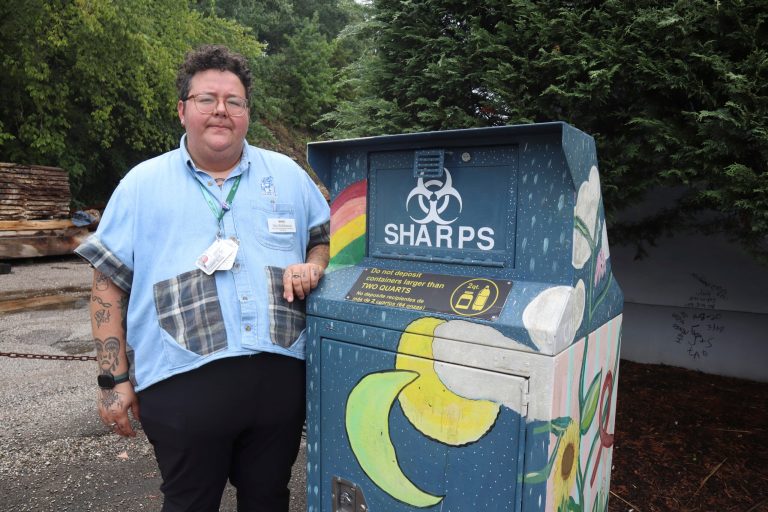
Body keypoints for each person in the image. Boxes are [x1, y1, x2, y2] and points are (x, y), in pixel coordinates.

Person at [76, 44, 330, 512]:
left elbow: (327, 237)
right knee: (189, 504)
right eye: (206, 99)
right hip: (179, 386)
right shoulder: (141, 185)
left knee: (270, 500)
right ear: (182, 109)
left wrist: (315, 262)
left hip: (279, 384)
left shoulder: (289, 176)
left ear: (247, 112)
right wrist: (112, 382)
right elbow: (107, 284)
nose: (221, 111)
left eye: (234, 101)